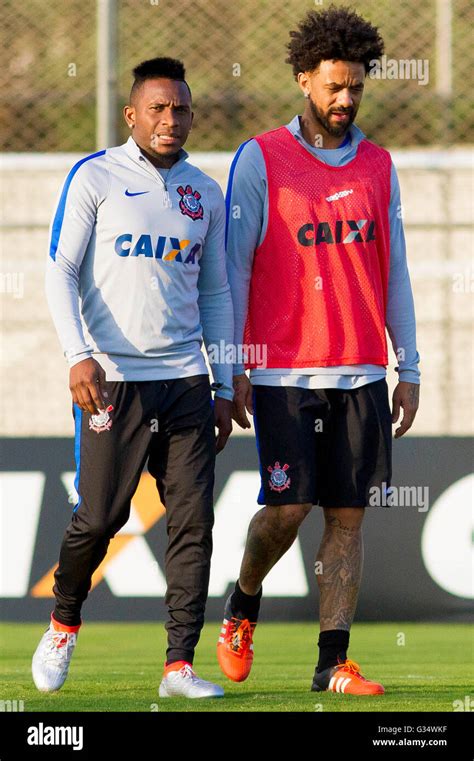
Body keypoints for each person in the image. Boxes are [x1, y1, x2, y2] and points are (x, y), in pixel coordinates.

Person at [217, 6, 420, 695]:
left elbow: (394, 270)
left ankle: (332, 661)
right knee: (288, 508)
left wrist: (408, 365)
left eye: (356, 87)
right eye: (333, 86)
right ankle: (244, 599)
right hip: (283, 370)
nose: (345, 100)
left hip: (362, 370)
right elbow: (233, 269)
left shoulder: (378, 165)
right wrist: (233, 366)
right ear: (304, 80)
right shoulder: (260, 157)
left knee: (348, 516)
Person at [34, 56, 233, 699]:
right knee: (99, 518)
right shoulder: (95, 176)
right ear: (132, 114)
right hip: (112, 380)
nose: (169, 120)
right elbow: (60, 270)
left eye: (179, 109)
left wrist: (225, 383)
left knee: (193, 521)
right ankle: (64, 622)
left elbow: (217, 294)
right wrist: (76, 355)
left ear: (192, 115)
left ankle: (179, 665)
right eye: (157, 108)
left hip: (185, 381)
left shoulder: (206, 192)